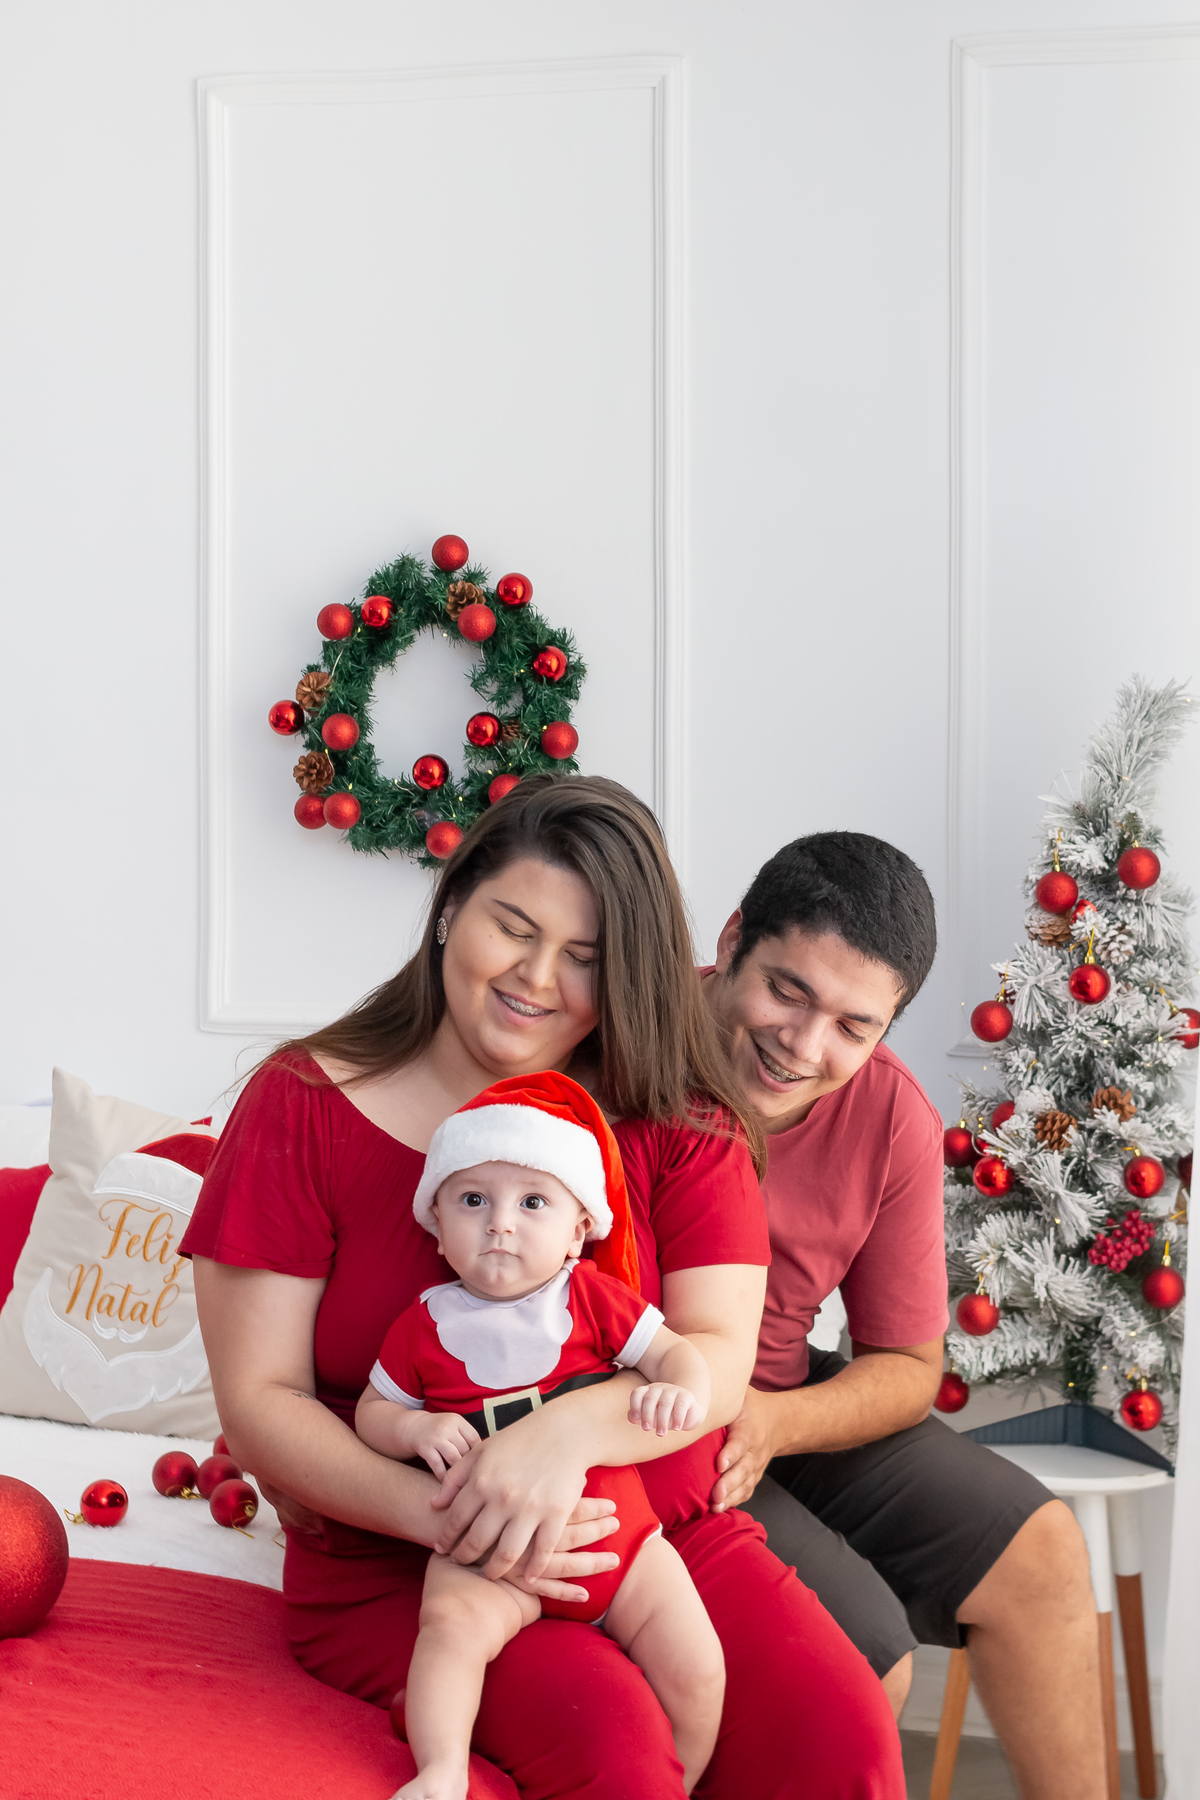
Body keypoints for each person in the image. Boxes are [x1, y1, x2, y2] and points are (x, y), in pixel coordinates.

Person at [182, 777, 905, 1800]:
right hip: (408, 1554)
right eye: (514, 929)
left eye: (586, 958)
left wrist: (556, 1442)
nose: (536, 977)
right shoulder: (303, 1103)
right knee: (612, 1744)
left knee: (844, 1739)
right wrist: (457, 1514)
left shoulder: (680, 1118)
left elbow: (717, 1360)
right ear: (451, 909)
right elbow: (260, 1403)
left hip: (655, 1529)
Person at [702, 830, 1105, 1800]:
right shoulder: (624, 1032)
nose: (805, 1047)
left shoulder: (891, 1116)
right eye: (788, 992)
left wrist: (775, 1421)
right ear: (731, 941)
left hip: (777, 1404)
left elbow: (907, 1368)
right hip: (656, 1412)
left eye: (854, 1026)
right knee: (862, 1656)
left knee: (1043, 1550)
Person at [359, 1071, 724, 1800]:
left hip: (621, 1550)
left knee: (699, 1667)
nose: (500, 1223)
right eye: (473, 1200)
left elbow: (679, 1355)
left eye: (532, 1202)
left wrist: (679, 1390)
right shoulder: (423, 1324)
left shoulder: (591, 1297)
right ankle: (440, 1769)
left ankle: (683, 1780)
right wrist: (414, 1426)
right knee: (448, 1632)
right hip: (486, 1556)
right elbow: (371, 1413)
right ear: (436, 1226)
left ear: (578, 1230)